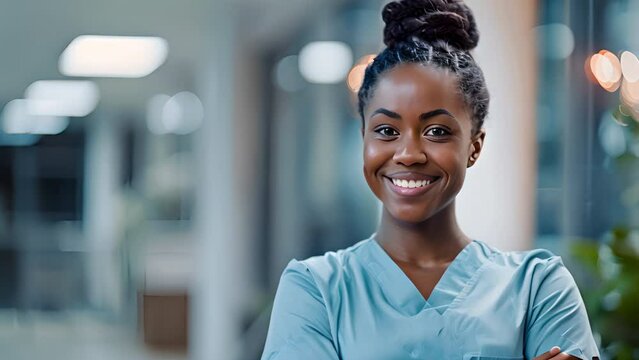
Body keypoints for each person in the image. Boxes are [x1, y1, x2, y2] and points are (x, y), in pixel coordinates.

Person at [261, 0, 600, 359]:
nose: (408, 153)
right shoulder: (315, 289)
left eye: (437, 131)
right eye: (387, 130)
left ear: (474, 146)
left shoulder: (539, 288)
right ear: (364, 138)